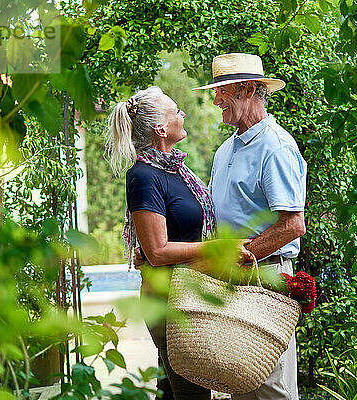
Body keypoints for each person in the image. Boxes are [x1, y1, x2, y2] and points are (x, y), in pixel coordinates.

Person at [105, 86, 251, 400]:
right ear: (160, 128)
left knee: (173, 392)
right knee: (193, 393)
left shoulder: (177, 171)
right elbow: (156, 252)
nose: (182, 114)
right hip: (168, 301)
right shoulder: (144, 176)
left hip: (187, 296)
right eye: (176, 111)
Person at [194, 53, 307, 400]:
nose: (215, 101)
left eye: (222, 91)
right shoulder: (225, 149)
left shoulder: (275, 147)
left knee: (272, 388)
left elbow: (293, 225)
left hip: (267, 278)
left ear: (247, 89)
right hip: (236, 279)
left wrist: (238, 256)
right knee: (240, 384)